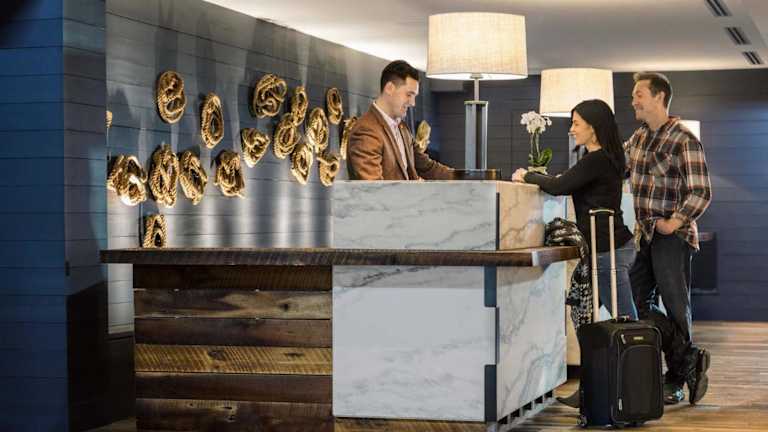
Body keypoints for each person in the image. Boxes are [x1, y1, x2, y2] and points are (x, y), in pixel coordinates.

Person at [513, 100, 638, 409]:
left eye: (576, 123)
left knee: (626, 323)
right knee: (586, 320)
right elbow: (568, 183)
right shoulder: (601, 158)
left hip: (608, 252)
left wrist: (527, 176)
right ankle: (594, 389)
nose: (571, 129)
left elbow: (559, 186)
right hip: (607, 249)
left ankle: (637, 388)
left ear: (593, 128)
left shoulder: (597, 159)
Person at [625, 72, 712, 405]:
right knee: (636, 302)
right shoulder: (638, 138)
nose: (633, 101)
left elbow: (701, 191)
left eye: (639, 94)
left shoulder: (683, 138)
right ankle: (689, 358)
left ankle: (674, 381)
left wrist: (674, 222)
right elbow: (616, 166)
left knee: (676, 306)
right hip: (644, 235)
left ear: (659, 97)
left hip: (672, 237)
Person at [347, 60, 453, 180]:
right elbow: (373, 187)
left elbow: (427, 167)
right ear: (389, 88)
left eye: (414, 96)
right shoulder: (365, 131)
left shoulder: (402, 128)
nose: (413, 103)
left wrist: (463, 176)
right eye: (409, 95)